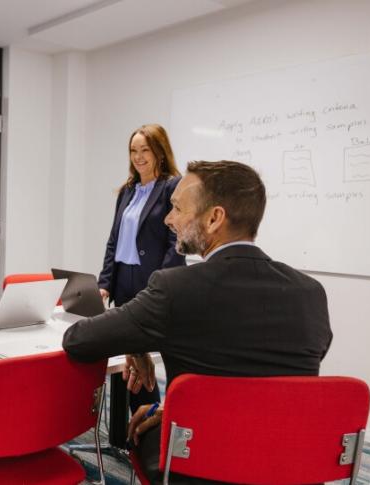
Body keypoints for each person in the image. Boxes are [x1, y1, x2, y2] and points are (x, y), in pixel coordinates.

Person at [64, 160, 332, 484]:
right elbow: (265, 379)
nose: (167, 218)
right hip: (290, 466)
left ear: (214, 218)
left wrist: (136, 340)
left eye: (176, 208)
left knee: (140, 429)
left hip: (202, 466)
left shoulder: (175, 289)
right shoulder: (311, 294)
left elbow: (79, 340)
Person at [96, 123, 185, 443]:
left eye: (145, 150)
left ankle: (151, 426)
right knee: (127, 354)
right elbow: (113, 240)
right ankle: (124, 433)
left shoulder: (173, 187)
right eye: (133, 151)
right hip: (124, 281)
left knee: (146, 353)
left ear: (159, 151)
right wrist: (104, 282)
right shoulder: (127, 191)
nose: (138, 157)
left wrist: (159, 285)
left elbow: (175, 242)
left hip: (155, 283)